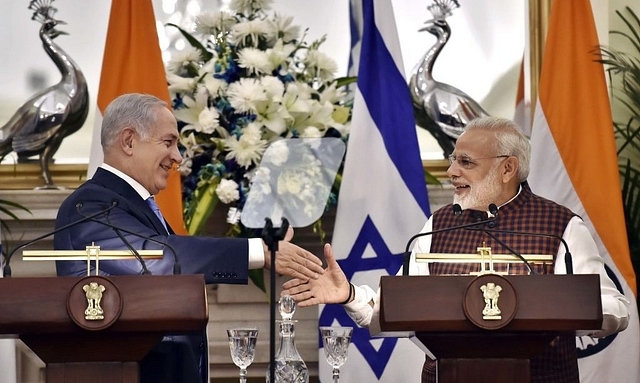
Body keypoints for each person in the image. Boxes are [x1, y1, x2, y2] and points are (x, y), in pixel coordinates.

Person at [282, 116, 631, 383]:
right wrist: (348, 295)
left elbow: (616, 308)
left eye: (466, 162)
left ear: (507, 167)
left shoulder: (560, 226)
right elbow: (392, 311)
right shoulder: (438, 225)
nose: (451, 171)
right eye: (453, 160)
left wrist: (560, 306)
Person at [54, 93, 325, 383]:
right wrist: (260, 251)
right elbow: (157, 257)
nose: (178, 157)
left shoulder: (135, 205)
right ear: (129, 141)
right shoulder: (90, 206)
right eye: (168, 142)